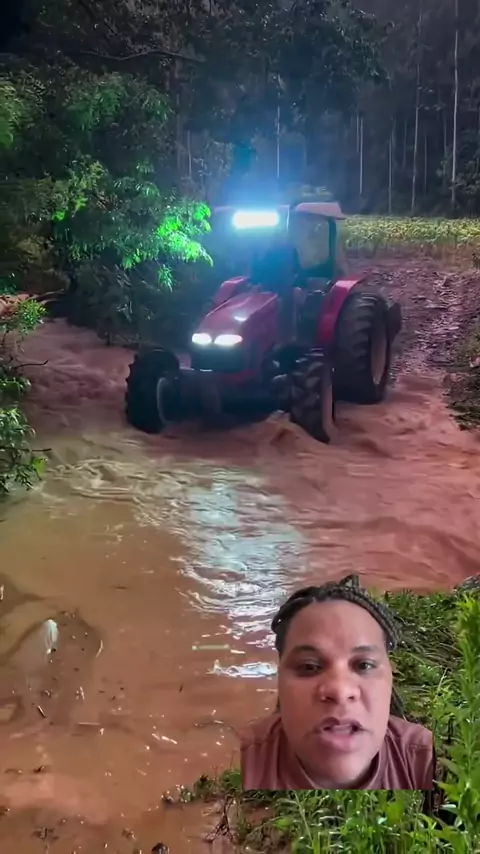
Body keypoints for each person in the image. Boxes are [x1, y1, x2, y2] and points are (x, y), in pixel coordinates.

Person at [240, 574, 434, 790]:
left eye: (364, 665)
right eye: (309, 666)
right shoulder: (237, 759)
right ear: (279, 679)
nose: (340, 690)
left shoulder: (427, 760)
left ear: (390, 677)